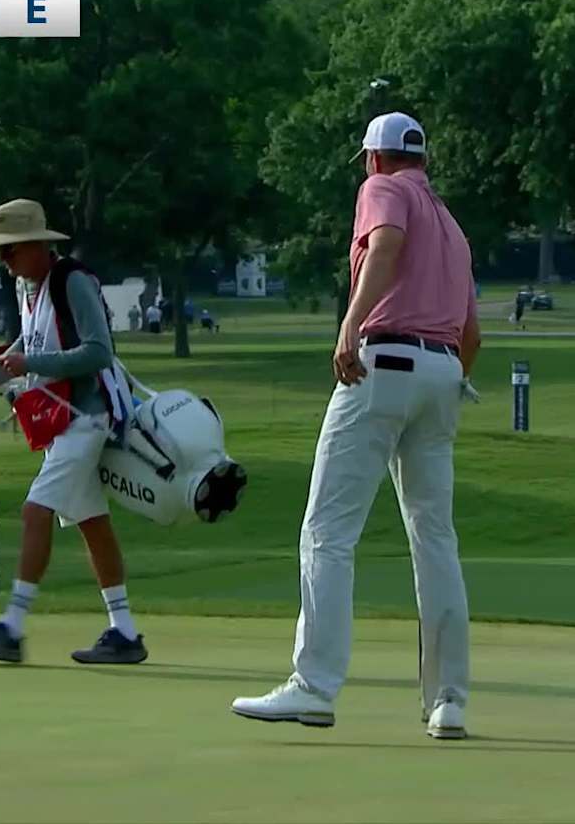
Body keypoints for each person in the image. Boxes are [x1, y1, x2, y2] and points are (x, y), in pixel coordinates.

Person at [232, 112, 480, 740]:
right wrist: (446, 379)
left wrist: (350, 323)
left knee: (328, 531)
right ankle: (448, 700)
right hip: (445, 374)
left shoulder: (382, 190)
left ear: (374, 157)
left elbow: (387, 245)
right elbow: (472, 332)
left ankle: (314, 687)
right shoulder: (452, 227)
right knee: (435, 539)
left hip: (384, 363)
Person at [0, 198, 145, 666]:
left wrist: (25, 365)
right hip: (63, 419)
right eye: (1, 253)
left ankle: (12, 627)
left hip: (86, 417)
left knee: (35, 511)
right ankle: (124, 631)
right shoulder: (32, 287)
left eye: (11, 250)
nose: (5, 261)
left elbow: (99, 351)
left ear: (38, 245)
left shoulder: (72, 282)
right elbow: (29, 344)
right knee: (91, 523)